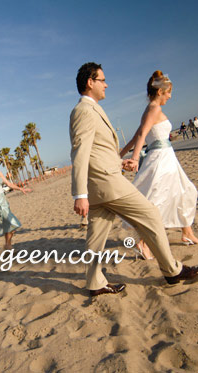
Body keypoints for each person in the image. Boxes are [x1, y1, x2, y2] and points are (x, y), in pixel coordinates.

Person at [70, 62, 198, 296]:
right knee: (150, 214)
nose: (106, 84)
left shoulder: (91, 109)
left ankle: (95, 282)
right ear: (90, 82)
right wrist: (79, 194)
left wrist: (120, 162)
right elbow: (80, 152)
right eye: (102, 80)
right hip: (107, 184)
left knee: (96, 237)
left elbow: (97, 152)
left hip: (102, 184)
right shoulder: (84, 111)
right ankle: (172, 270)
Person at [120, 71, 198, 259]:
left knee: (184, 191)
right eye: (168, 92)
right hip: (160, 159)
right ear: (160, 91)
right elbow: (141, 135)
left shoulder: (152, 109)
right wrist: (136, 158)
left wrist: (119, 155)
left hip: (167, 157)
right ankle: (143, 243)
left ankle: (187, 232)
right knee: (157, 199)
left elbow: (135, 136)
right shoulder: (153, 109)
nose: (170, 96)